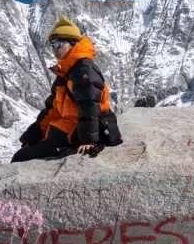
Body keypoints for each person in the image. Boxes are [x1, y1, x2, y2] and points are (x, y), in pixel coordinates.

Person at [12, 16, 117, 163]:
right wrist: (34, 134)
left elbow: (90, 104)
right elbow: (52, 109)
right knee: (23, 153)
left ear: (73, 44)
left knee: (21, 158)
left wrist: (88, 140)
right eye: (53, 45)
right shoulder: (66, 73)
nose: (55, 50)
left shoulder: (83, 69)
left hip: (79, 135)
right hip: (67, 132)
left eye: (59, 44)